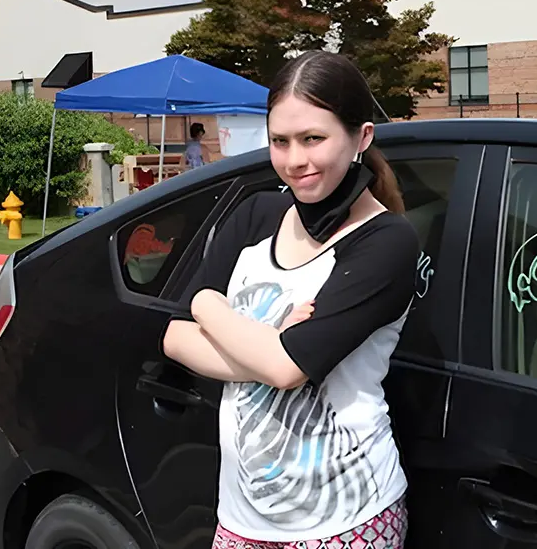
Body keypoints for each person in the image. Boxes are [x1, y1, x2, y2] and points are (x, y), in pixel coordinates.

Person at [161, 50, 418, 549]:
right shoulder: (257, 215)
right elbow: (174, 337)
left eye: (313, 139)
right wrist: (268, 343)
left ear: (362, 137)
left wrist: (209, 309)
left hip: (346, 520)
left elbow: (286, 369)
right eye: (280, 141)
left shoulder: (385, 242)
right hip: (241, 517)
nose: (295, 160)